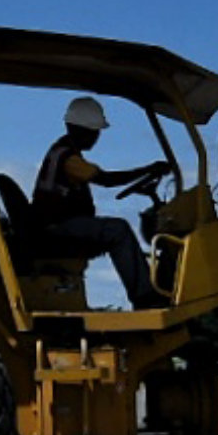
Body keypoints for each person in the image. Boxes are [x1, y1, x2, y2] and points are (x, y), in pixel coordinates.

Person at [29, 97, 171, 308]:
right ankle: (145, 298)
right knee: (118, 230)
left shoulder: (63, 152)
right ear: (79, 129)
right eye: (94, 131)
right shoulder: (69, 159)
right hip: (56, 227)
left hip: (53, 225)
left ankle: (148, 288)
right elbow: (106, 180)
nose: (96, 137)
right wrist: (148, 169)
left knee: (116, 234)